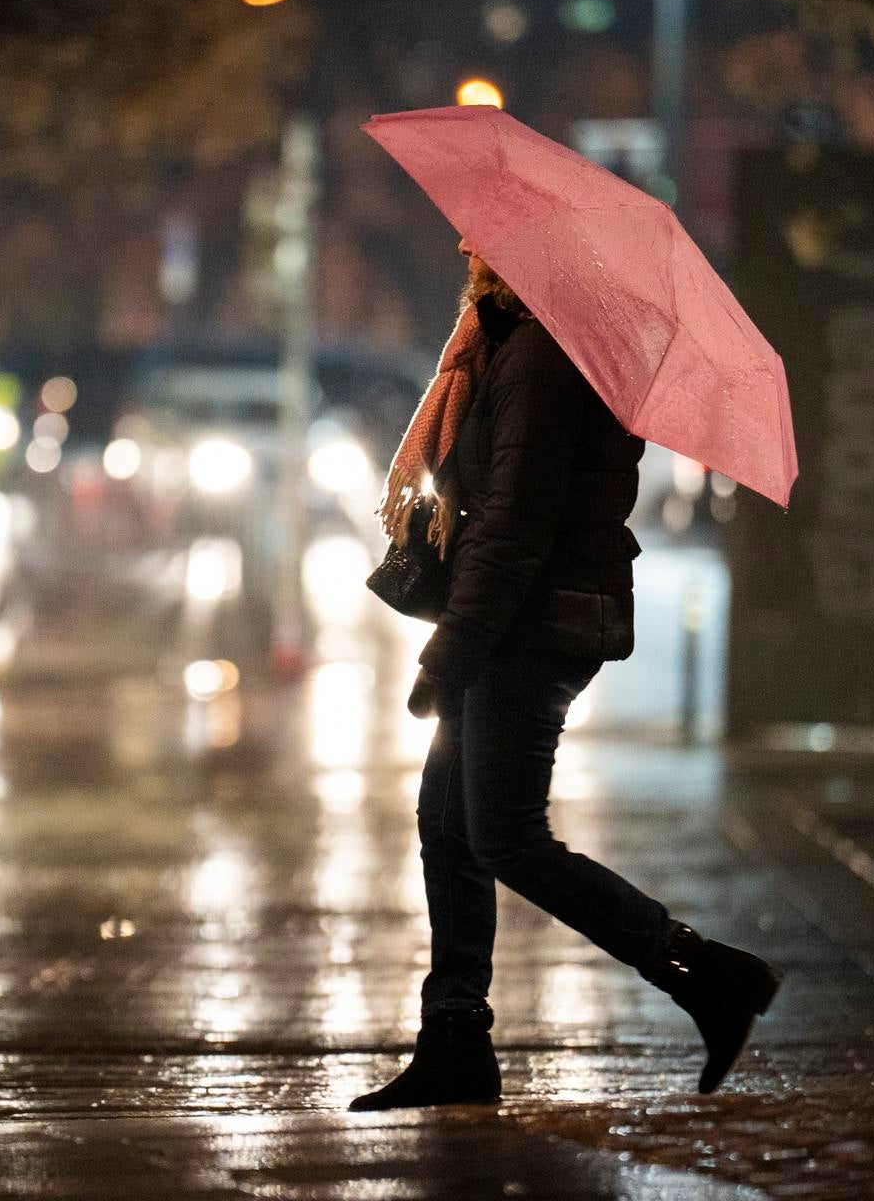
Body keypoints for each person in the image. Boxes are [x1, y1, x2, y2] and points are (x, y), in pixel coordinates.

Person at [349, 241, 783, 1112]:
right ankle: (455, 1042)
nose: (466, 247)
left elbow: (512, 526)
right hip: (515, 619)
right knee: (449, 823)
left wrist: (451, 649)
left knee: (503, 834)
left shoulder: (547, 359)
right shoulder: (503, 344)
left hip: (531, 625)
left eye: (483, 240)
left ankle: (709, 973)